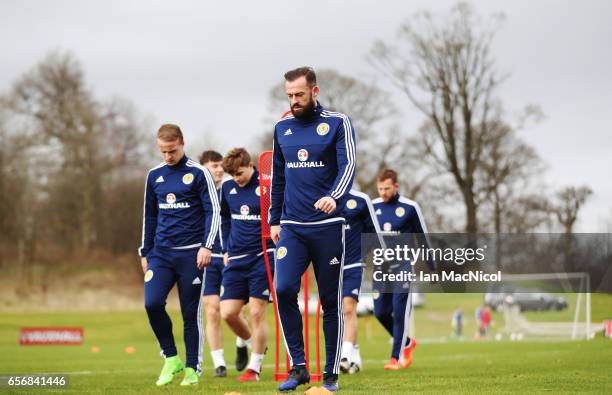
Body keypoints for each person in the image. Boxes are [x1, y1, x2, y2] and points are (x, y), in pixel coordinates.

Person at [270, 67, 356, 392]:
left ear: (314, 91)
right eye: (289, 95)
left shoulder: (337, 123)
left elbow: (348, 165)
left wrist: (334, 197)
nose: (294, 100)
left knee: (330, 301)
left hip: (328, 227)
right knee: (283, 289)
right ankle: (299, 367)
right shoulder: (281, 128)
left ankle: (331, 373)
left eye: (299, 95)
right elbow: (278, 177)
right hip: (292, 227)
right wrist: (274, 220)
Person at [138, 124, 220, 386]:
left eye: (172, 151)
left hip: (191, 255)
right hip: (160, 254)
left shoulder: (198, 173)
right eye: (163, 152)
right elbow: (149, 216)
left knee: (189, 313)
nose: (168, 157)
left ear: (182, 144)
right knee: (151, 303)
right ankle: (171, 357)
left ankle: (192, 368)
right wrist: (145, 251)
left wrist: (207, 245)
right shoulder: (154, 176)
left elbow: (213, 211)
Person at [219, 148, 276, 382]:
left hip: (263, 256)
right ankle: (254, 344)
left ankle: (254, 369)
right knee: (229, 313)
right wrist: (225, 249)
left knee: (256, 312)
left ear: (251, 166)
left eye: (240, 173)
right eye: (232, 175)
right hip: (236, 258)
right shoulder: (227, 188)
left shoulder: (267, 188)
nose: (237, 179)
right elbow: (224, 217)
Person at [372, 168, 432, 371]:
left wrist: (431, 266)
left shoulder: (410, 207)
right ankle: (406, 342)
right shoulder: (372, 207)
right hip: (381, 267)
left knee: (399, 312)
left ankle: (395, 358)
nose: (383, 192)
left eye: (387, 188)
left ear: (396, 186)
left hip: (403, 267)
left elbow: (422, 237)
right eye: (380, 188)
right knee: (380, 312)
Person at [200, 150, 250, 377]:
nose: (219, 169)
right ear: (204, 169)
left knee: (234, 309)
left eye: (220, 165)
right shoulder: (198, 192)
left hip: (233, 256)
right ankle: (219, 364)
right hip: (210, 259)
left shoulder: (233, 189)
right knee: (211, 311)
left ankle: (243, 341)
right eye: (213, 166)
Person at [339, 189, 385, 374]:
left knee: (348, 308)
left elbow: (374, 234)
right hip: (328, 266)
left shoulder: (361, 199)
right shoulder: (319, 196)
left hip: (354, 263)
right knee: (339, 313)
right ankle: (355, 356)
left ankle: (344, 356)